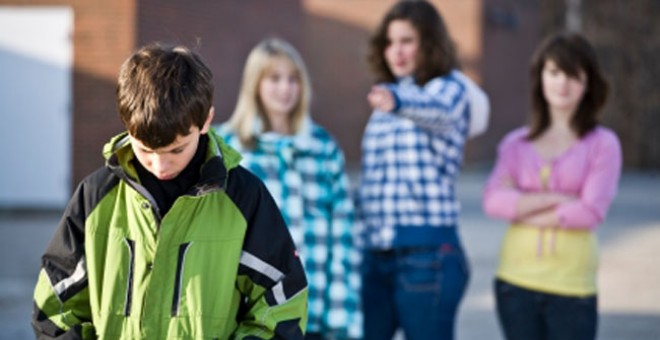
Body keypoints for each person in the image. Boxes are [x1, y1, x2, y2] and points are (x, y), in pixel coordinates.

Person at [31, 43, 308, 339]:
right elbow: (55, 307)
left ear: (206, 121)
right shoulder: (95, 196)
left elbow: (282, 304)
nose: (160, 166)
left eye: (177, 149)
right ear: (127, 126)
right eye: (146, 150)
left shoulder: (244, 197)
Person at [355, 1, 490, 339]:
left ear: (428, 43)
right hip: (375, 253)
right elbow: (374, 182)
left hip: (427, 255)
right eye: (390, 42)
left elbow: (436, 110)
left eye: (407, 41)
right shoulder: (386, 102)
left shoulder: (450, 89)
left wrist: (399, 102)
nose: (396, 51)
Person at [215, 38, 362, 339]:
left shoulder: (323, 148)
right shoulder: (227, 148)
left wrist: (340, 316)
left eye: (293, 79)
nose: (286, 88)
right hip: (255, 314)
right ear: (255, 83)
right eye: (275, 78)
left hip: (318, 308)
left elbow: (343, 235)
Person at [482, 31, 622, 340]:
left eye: (573, 75)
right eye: (554, 72)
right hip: (515, 281)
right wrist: (560, 198)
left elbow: (590, 212)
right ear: (540, 77)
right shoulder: (515, 144)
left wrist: (521, 205)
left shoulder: (603, 144)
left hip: (571, 284)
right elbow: (493, 201)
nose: (562, 83)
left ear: (588, 83)